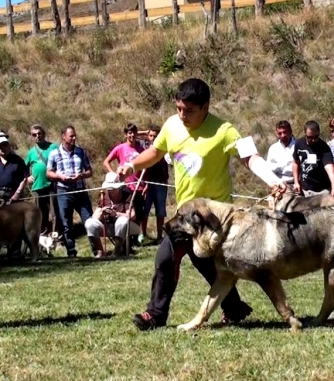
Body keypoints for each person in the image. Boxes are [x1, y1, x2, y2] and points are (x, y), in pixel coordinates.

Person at [116, 78, 287, 331]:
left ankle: (233, 307)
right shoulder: (172, 126)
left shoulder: (224, 130)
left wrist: (273, 180)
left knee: (209, 266)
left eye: (189, 110)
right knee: (166, 259)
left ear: (206, 107)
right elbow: (155, 151)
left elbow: (250, 158)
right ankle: (156, 315)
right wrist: (132, 165)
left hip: (213, 219)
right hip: (185, 214)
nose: (182, 115)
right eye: (179, 109)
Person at [46, 125, 97, 258]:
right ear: (63, 136)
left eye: (75, 135)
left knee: (89, 221)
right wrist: (60, 177)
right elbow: (49, 173)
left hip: (80, 191)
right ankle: (71, 252)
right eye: (71, 136)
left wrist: (81, 175)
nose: (74, 138)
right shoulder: (54, 153)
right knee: (66, 223)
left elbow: (89, 171)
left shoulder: (81, 152)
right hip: (63, 192)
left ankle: (96, 250)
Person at [84, 172, 142, 256]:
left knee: (122, 221)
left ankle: (117, 250)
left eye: (112, 188)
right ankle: (100, 252)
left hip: (128, 226)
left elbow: (132, 216)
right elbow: (94, 217)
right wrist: (102, 211)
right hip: (109, 226)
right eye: (109, 188)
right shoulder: (103, 196)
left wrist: (116, 214)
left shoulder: (126, 195)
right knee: (89, 223)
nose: (110, 190)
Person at [25, 124, 62, 237]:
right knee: (39, 213)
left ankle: (56, 237)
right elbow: (24, 168)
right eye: (34, 135)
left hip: (51, 184)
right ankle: (41, 236)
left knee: (54, 212)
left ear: (44, 134)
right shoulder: (31, 152)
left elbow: (61, 162)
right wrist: (27, 178)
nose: (37, 136)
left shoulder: (54, 147)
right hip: (37, 186)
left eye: (39, 134)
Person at [292, 120, 334, 199]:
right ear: (305, 133)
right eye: (309, 137)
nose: (313, 140)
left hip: (322, 190)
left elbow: (329, 167)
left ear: (319, 133)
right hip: (305, 189)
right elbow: (295, 162)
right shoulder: (299, 143)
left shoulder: (324, 147)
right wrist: (296, 182)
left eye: (315, 137)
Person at [138, 124, 170, 242]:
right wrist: (145, 132)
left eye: (156, 136)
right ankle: (143, 234)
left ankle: (159, 236)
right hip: (147, 183)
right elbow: (132, 134)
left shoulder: (164, 146)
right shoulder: (144, 146)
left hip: (161, 182)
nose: (153, 138)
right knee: (145, 209)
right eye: (151, 136)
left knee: (160, 210)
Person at [266, 120, 296, 187]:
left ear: (290, 132)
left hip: (296, 183)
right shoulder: (273, 149)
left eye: (285, 132)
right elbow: (269, 168)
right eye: (280, 133)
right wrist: (284, 165)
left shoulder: (299, 146)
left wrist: (278, 167)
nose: (283, 135)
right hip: (279, 185)